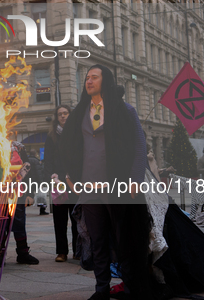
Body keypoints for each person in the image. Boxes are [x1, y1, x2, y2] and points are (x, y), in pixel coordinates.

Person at [59, 65, 151, 300]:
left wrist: (135, 179)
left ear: (105, 80)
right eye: (87, 77)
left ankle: (131, 288)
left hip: (118, 186)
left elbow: (140, 146)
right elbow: (68, 146)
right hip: (89, 189)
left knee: (125, 240)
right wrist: (69, 175)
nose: (88, 81)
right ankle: (102, 290)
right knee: (97, 241)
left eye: (94, 77)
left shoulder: (125, 110)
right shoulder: (79, 112)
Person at [45, 104, 79, 263]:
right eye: (60, 114)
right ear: (56, 117)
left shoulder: (77, 134)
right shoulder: (51, 137)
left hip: (74, 182)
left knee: (76, 218)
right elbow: (48, 161)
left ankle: (78, 250)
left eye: (66, 113)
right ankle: (62, 252)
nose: (63, 116)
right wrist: (52, 178)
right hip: (58, 182)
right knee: (59, 220)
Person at [27, 149, 47, 215]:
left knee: (28, 195)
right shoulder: (36, 161)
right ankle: (42, 210)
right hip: (35, 181)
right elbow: (39, 173)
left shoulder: (26, 160)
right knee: (41, 196)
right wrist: (41, 183)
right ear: (35, 154)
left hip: (27, 181)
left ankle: (23, 211)